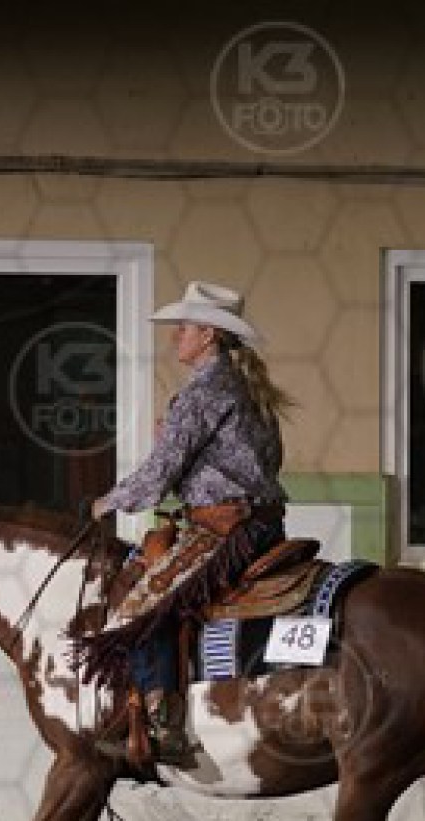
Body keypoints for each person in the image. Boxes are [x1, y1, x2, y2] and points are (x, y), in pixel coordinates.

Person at [73, 280, 294, 766]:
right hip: (261, 522)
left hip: (225, 529)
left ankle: (163, 722)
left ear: (209, 335)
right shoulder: (247, 391)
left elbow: (160, 474)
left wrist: (107, 502)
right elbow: (266, 462)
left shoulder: (202, 393)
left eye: (185, 327)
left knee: (141, 605)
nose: (176, 335)